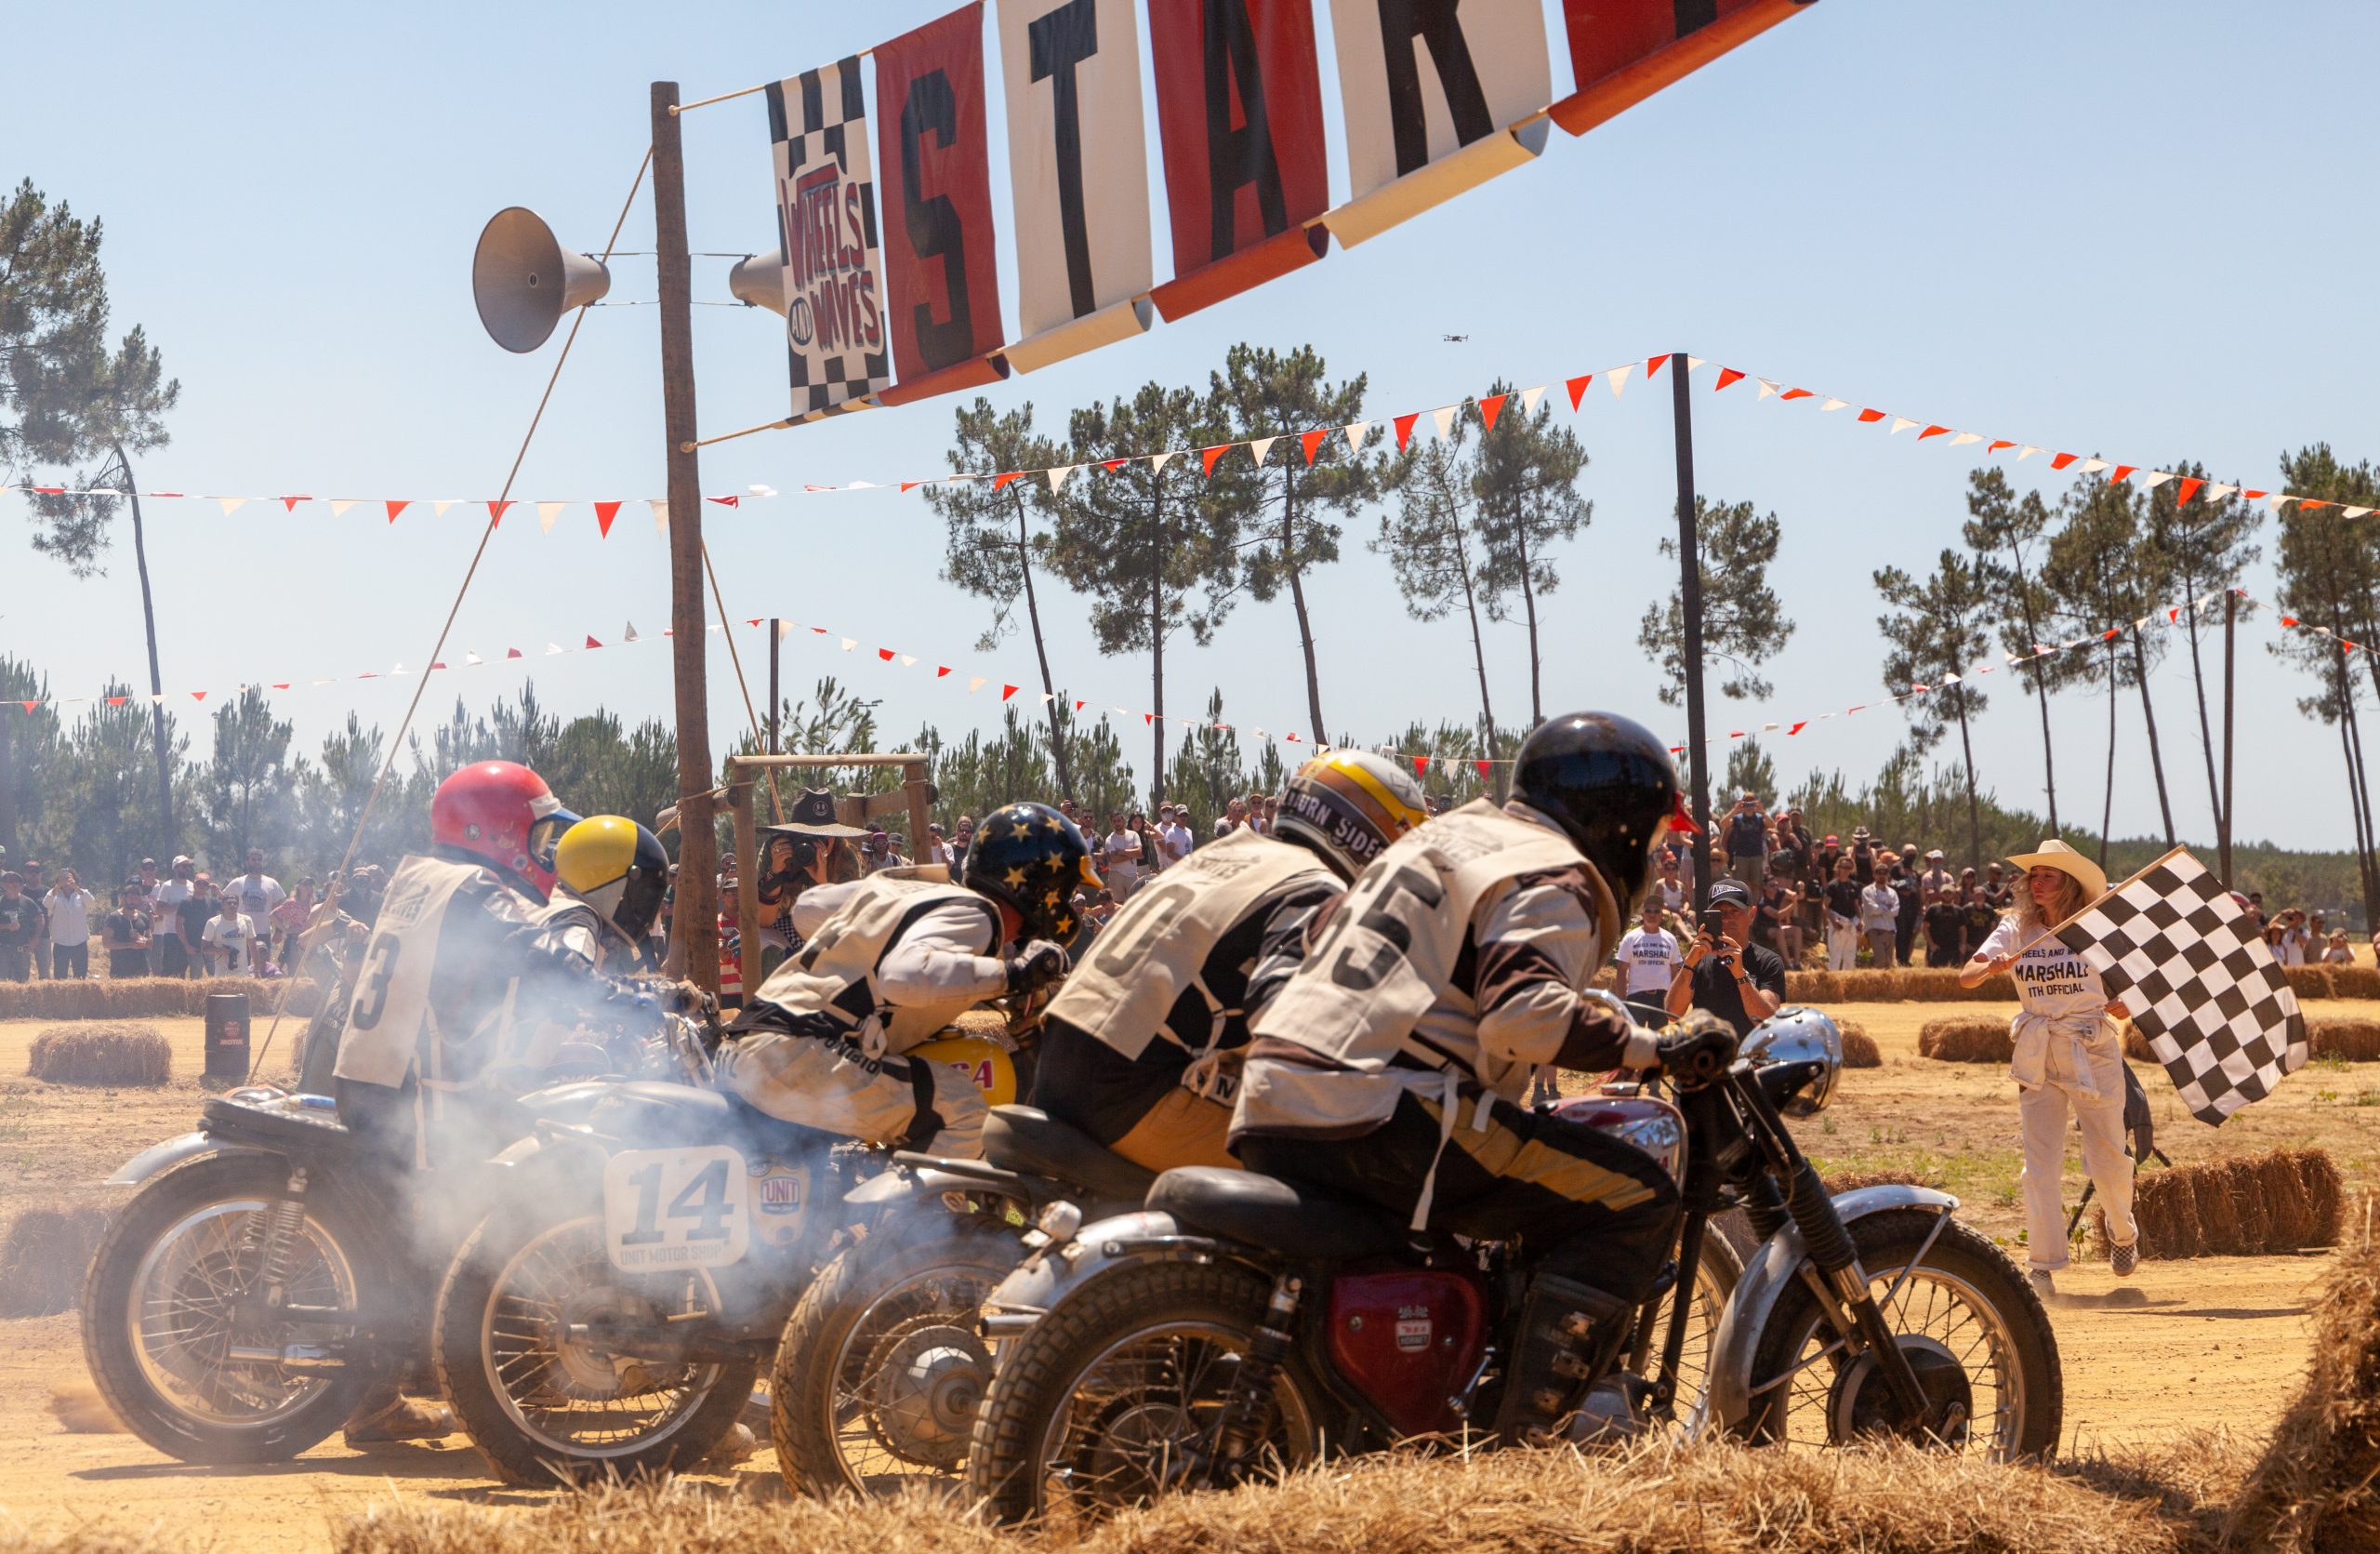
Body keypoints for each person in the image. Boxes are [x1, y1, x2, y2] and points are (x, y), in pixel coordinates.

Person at [1235, 711, 1733, 1447]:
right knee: (1637, 1195)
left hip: (1279, 1087)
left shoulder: (1447, 838)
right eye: (1657, 838)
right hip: (1387, 1109)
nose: (1655, 857)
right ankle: (1524, 1442)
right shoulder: (1549, 868)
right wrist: (1652, 1047)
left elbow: (1330, 937)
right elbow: (1521, 1020)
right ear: (1618, 823)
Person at [328, 760, 588, 1447]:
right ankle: (407, 1395)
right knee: (445, 1234)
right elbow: (536, 943)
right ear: (498, 831)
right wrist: (587, 957)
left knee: (412, 1237)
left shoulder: (421, 875)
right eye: (535, 835)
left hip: (377, 1071)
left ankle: (444, 1378)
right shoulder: (477, 888)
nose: (543, 852)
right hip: (412, 1087)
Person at [1036, 751, 1427, 1174]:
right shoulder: (1312, 883)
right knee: (1350, 1157)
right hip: (1126, 1093)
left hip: (1057, 1062)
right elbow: (1281, 1011)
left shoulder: (1221, 855)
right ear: (1370, 838)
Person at [719, 801, 1098, 1161]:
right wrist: (1014, 975)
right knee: (963, 1111)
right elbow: (902, 978)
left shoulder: (915, 891)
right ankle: (900, 1227)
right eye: (1067, 889)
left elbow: (807, 910)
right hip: (797, 1053)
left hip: (748, 1043)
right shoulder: (980, 914)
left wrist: (878, 933)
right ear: (1040, 886)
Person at [1959, 839, 2139, 1295]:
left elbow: (2140, 981)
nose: (2037, 884)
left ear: (2069, 884)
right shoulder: (2016, 927)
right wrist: (1989, 968)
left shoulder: (2096, 927)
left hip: (2091, 1048)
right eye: (2033, 876)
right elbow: (1965, 975)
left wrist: (2126, 1002)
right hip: (2038, 1051)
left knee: (2108, 1159)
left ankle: (2123, 1233)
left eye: (2048, 877)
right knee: (2039, 1167)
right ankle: (2042, 1264)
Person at [1664, 879, 1785, 1038]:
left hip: (1749, 1056)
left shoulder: (1767, 961)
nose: (1726, 918)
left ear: (1752, 914)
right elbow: (1673, 1013)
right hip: (1708, 1056)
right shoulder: (1696, 959)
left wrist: (1740, 975)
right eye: (1719, 912)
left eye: (1734, 911)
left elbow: (1766, 1021)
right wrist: (1690, 963)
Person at [1612, 898, 1684, 1018]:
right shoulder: (1630, 938)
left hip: (1662, 998)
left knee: (1660, 1035)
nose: (1652, 914)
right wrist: (1621, 1003)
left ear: (1662, 915)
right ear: (1642, 914)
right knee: (1635, 1035)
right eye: (1648, 910)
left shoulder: (1670, 939)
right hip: (1636, 997)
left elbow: (1675, 971)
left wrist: (1673, 999)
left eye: (1656, 911)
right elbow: (1621, 971)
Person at [225, 849, 286, 967]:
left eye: (259, 860)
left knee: (263, 965)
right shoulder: (237, 883)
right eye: (253, 859)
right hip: (241, 932)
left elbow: (279, 909)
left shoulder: (272, 883)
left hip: (263, 932)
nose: (257, 862)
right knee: (241, 964)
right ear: (247, 862)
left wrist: (278, 931)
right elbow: (225, 903)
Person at [45, 869, 97, 980]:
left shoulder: (81, 894)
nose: (66, 881)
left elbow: (91, 903)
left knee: (81, 976)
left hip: (80, 941)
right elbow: (46, 903)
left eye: (69, 878)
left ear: (75, 880)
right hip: (60, 942)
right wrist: (57, 887)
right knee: (60, 977)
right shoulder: (55, 896)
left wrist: (76, 888)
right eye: (63, 878)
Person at [152, 857, 196, 978]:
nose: (187, 869)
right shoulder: (167, 886)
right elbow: (159, 909)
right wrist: (179, 906)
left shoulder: (193, 886)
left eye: (188, 866)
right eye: (184, 866)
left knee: (182, 969)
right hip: (171, 933)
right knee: (169, 968)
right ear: (175, 869)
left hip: (188, 934)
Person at [102, 884, 153, 979]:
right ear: (124, 898)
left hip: (141, 971)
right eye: (130, 898)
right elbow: (106, 943)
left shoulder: (143, 918)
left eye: (136, 899)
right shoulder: (113, 918)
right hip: (120, 971)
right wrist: (129, 945)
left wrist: (142, 939)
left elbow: (150, 941)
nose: (133, 901)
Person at [200, 892, 256, 976]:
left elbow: (253, 946)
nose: (232, 905)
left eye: (235, 903)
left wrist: (257, 970)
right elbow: (204, 949)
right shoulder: (213, 923)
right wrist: (222, 951)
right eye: (229, 903)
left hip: (242, 973)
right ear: (223, 905)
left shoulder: (247, 920)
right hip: (222, 974)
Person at [1722, 791, 1768, 891]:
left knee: (1756, 884)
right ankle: (1743, 905)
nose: (1749, 806)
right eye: (1747, 803)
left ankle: (1754, 905)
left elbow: (1772, 825)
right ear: (1742, 804)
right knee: (1741, 884)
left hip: (1756, 855)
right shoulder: (1737, 818)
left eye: (1751, 803)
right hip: (1741, 855)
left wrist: (1763, 811)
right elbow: (1723, 824)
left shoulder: (1760, 818)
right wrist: (1734, 810)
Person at [1756, 872, 1803, 966]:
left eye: (1776, 885)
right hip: (1762, 930)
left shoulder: (1779, 892)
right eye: (1772, 885)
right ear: (1765, 887)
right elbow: (1778, 915)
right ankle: (1788, 963)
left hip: (1775, 927)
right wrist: (1793, 905)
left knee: (1797, 930)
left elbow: (1792, 894)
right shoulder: (1763, 903)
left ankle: (1797, 962)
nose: (1775, 887)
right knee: (1779, 931)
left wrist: (1798, 891)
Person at [177, 876, 218, 979]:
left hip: (211, 946)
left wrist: (218, 891)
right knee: (196, 978)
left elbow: (229, 904)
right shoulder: (185, 903)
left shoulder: (212, 902)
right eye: (199, 884)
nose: (202, 886)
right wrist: (186, 945)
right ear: (194, 885)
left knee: (215, 976)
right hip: (194, 946)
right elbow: (178, 925)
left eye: (205, 884)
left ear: (208, 887)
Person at [0, 872, 38, 983]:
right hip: (3, 950)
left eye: (14, 881)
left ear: (21, 884)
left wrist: (34, 940)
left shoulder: (28, 902)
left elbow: (40, 920)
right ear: (2, 885)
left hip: (22, 950)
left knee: (22, 984)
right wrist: (7, 926)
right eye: (7, 881)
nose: (10, 884)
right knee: (3, 984)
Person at [1858, 866, 1899, 968]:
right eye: (1879, 873)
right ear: (1874, 875)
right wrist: (1886, 908)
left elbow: (1896, 911)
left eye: (1884, 873)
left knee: (1889, 964)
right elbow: (1871, 909)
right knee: (1880, 961)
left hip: (1890, 930)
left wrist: (1881, 908)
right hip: (1875, 930)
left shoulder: (1892, 892)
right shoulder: (1867, 891)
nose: (1882, 876)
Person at [1923, 887, 1967, 968]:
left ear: (1953, 895)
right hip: (1936, 949)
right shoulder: (1933, 908)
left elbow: (1963, 930)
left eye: (1949, 893)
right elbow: (1925, 928)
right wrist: (1931, 945)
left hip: (1953, 949)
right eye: (1945, 893)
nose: (1947, 895)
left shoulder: (1959, 910)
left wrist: (1963, 944)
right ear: (1940, 894)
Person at [1101, 810, 1141, 900]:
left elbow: (1138, 852)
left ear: (1123, 821)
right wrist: (1131, 854)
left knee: (1134, 903)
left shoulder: (1134, 835)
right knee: (1118, 905)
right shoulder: (1109, 839)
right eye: (1114, 821)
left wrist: (1121, 852)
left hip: (1132, 875)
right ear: (1111, 823)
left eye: (1119, 820)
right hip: (1116, 875)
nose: (1117, 823)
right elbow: (1113, 859)